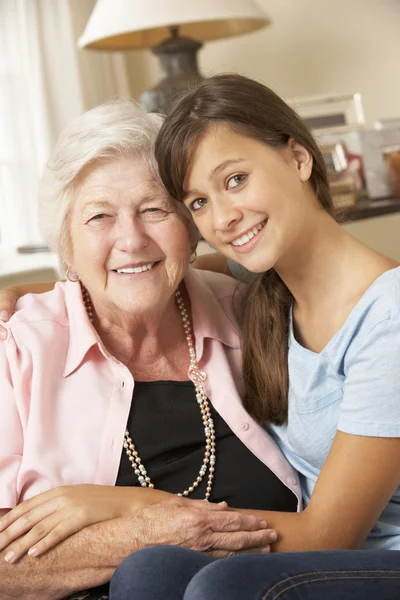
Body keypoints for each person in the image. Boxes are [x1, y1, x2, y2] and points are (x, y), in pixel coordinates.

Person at [104, 72, 400, 599]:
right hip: (325, 557)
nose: (223, 218)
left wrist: (121, 507)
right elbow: (156, 272)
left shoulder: (388, 318)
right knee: (147, 572)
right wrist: (36, 295)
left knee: (224, 587)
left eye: (235, 179)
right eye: (197, 203)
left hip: (377, 561)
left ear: (298, 158)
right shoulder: (266, 285)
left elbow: (330, 535)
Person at [0, 98, 300, 600]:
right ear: (67, 247)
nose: (132, 240)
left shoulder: (254, 316)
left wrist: (124, 508)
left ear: (190, 227)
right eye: (98, 217)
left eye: (155, 209)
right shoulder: (19, 350)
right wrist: (144, 534)